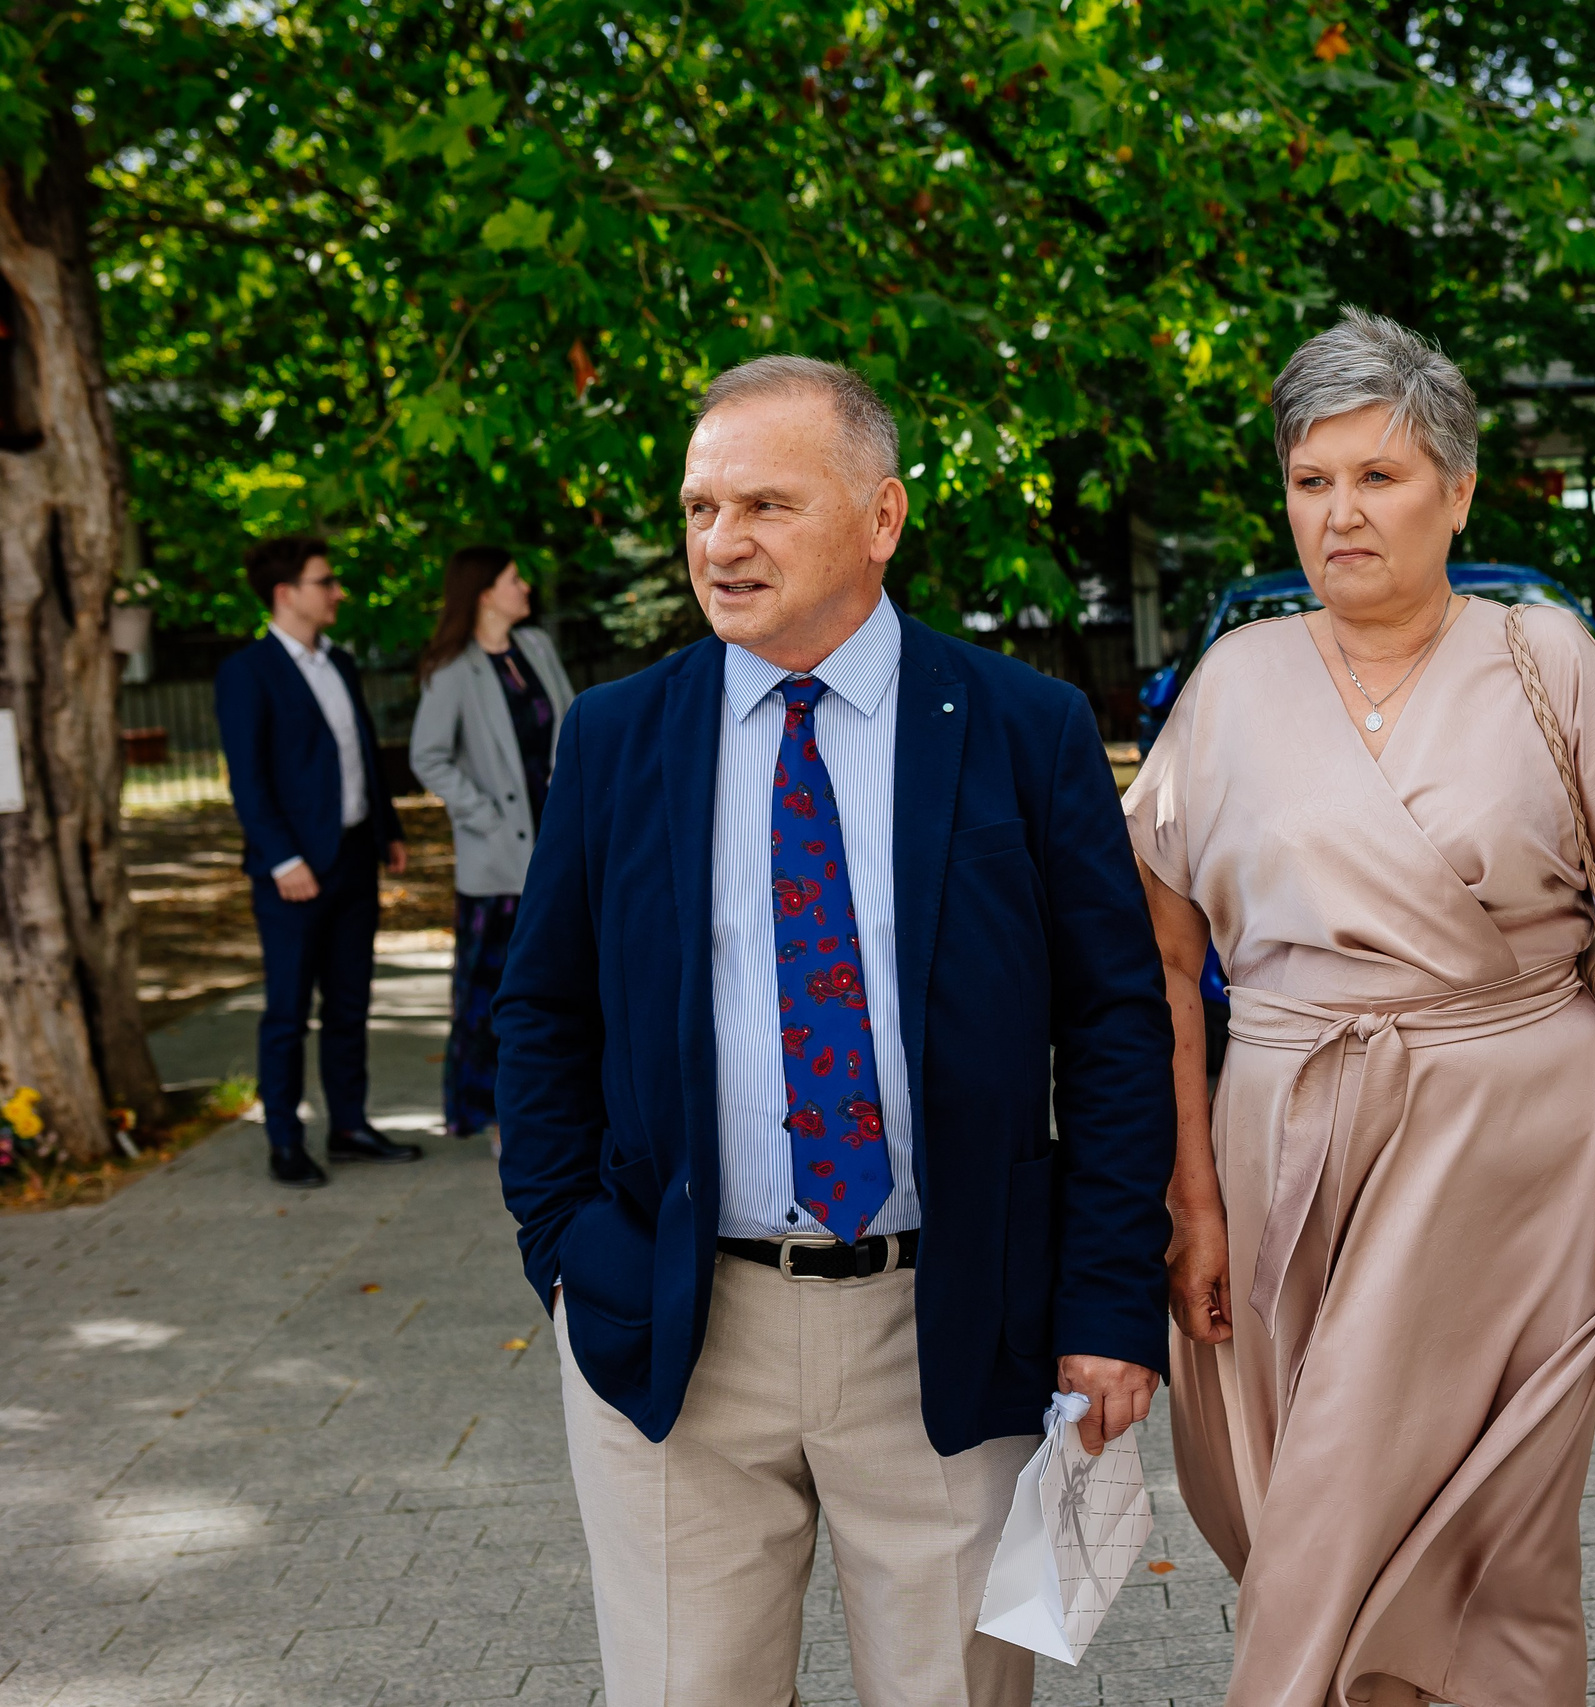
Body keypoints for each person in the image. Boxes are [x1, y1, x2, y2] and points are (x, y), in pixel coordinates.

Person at [494, 355, 1174, 1707]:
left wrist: (1106, 1304)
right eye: (698, 507)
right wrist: (569, 1248)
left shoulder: (1021, 728)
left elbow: (1112, 1025)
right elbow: (541, 1005)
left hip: (952, 1316)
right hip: (676, 1323)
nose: (720, 541)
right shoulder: (621, 737)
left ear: (881, 516)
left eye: (764, 503)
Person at [1125, 309, 1595, 1707]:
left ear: (1455, 491)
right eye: (1311, 480)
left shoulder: (1544, 656)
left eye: (1378, 477)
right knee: (1297, 1495)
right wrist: (1190, 1195)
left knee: (1493, 1531)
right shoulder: (1229, 684)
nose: (1340, 512)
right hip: (1288, 1145)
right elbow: (1158, 967)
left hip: (1515, 1143)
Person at [215, 536, 419, 1189]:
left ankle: (350, 1125)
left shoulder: (342, 662)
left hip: (355, 857)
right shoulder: (247, 672)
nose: (336, 592)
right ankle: (284, 1139)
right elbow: (248, 781)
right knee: (286, 1012)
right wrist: (281, 859)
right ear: (286, 594)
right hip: (293, 873)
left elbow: (360, 748)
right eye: (324, 581)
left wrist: (388, 829)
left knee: (351, 1002)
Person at [409, 547, 577, 1142]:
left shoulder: (536, 648)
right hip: (497, 858)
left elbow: (570, 722)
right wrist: (480, 813)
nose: (525, 586)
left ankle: (545, 1098)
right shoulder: (453, 668)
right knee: (487, 992)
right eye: (513, 578)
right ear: (484, 592)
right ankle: (472, 1106)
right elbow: (427, 755)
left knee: (555, 983)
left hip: (554, 842)